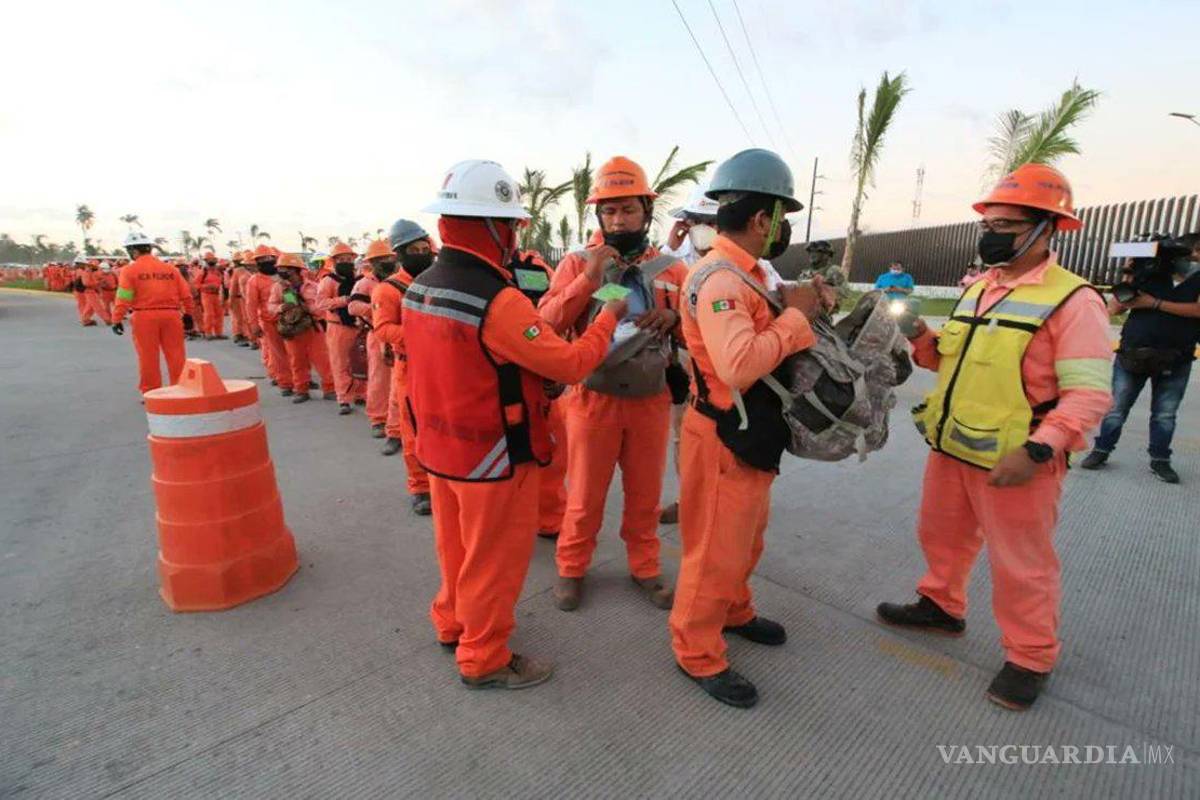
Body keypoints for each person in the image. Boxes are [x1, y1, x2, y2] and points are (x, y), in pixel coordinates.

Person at [877, 163, 1114, 712]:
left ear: (1046, 229)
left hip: (1018, 459)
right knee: (941, 536)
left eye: (1006, 225)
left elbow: (1089, 394)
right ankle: (941, 606)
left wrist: (1039, 449)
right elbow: (951, 360)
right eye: (991, 221)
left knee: (1021, 564)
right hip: (955, 446)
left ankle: (1030, 657)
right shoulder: (980, 289)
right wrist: (920, 335)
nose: (992, 233)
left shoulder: (1074, 301)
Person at [405, 159, 628, 690]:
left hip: (440, 448)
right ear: (493, 227)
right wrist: (608, 316)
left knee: (455, 549)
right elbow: (571, 363)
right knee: (494, 564)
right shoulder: (498, 300)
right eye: (511, 225)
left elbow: (485, 356)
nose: (513, 236)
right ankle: (483, 657)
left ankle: (453, 623)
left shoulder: (422, 286)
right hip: (493, 458)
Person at [669, 148, 827, 709]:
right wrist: (796, 319)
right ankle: (696, 650)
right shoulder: (719, 279)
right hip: (721, 435)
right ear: (764, 218)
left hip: (751, 431)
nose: (783, 229)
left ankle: (734, 612)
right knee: (713, 549)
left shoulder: (752, 273)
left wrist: (797, 305)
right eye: (782, 217)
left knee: (744, 540)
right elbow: (738, 365)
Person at [538, 155, 688, 613]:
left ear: (646, 210)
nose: (619, 219)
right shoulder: (576, 263)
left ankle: (645, 568)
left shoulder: (670, 269)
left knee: (645, 496)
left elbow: (697, 333)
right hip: (592, 398)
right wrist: (587, 280)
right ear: (598, 216)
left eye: (628, 209)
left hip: (651, 399)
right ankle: (571, 568)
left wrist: (676, 317)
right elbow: (546, 321)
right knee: (583, 497)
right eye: (609, 211)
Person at [1080, 234, 1200, 483]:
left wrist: (1153, 303)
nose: (1193, 257)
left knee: (1165, 413)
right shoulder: (1150, 272)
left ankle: (1160, 460)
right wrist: (1131, 273)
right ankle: (1101, 450)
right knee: (1116, 407)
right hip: (1133, 352)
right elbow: (1116, 307)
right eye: (1192, 252)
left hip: (1177, 357)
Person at [370, 220, 434, 513]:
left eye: (426, 249)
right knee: (413, 430)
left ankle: (442, 479)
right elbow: (383, 329)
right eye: (415, 250)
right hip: (410, 367)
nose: (423, 254)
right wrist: (424, 335)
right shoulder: (388, 290)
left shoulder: (437, 282)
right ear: (400, 254)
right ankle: (420, 487)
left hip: (441, 366)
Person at [110, 231, 195, 394]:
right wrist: (189, 314)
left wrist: (117, 318)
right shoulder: (170, 269)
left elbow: (124, 297)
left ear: (133, 251)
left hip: (144, 317)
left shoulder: (129, 271)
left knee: (147, 356)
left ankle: (151, 391)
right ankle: (181, 389)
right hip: (171, 316)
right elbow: (186, 294)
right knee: (177, 355)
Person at [268, 253, 335, 403]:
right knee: (297, 361)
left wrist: (308, 309)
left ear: (296, 270)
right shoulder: (278, 288)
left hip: (313, 328)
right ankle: (301, 390)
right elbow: (270, 306)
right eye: (281, 268)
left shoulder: (313, 286)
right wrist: (281, 307)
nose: (282, 272)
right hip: (292, 330)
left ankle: (330, 389)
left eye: (286, 269)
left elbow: (322, 307)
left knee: (322, 360)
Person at [348, 240, 393, 439]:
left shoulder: (399, 280)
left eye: (388, 258)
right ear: (372, 263)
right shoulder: (365, 283)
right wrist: (378, 311)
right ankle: (378, 419)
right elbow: (353, 307)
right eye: (380, 260)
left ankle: (399, 420)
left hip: (398, 334)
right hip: (377, 334)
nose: (385, 262)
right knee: (378, 378)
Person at [316, 242, 365, 415]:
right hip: (338, 327)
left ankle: (361, 394)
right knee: (340, 364)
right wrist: (344, 300)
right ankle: (344, 399)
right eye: (341, 259)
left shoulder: (360, 279)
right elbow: (320, 304)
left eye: (348, 259)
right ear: (334, 262)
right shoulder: (328, 281)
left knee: (361, 362)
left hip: (359, 325)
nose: (345, 261)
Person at [246, 245, 294, 395]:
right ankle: (285, 383)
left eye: (268, 258)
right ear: (257, 262)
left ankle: (300, 380)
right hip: (269, 322)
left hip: (289, 320)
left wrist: (294, 311)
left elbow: (290, 296)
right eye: (261, 259)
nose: (265, 261)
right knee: (278, 354)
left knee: (295, 352)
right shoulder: (254, 281)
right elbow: (251, 305)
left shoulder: (282, 277)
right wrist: (254, 326)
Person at [197, 253, 226, 339]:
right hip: (206, 295)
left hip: (217, 295)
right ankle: (208, 333)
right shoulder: (203, 272)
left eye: (212, 259)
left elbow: (222, 283)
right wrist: (207, 286)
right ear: (206, 261)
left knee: (219, 314)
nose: (211, 261)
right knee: (209, 314)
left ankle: (218, 333)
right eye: (209, 260)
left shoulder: (218, 271)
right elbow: (196, 285)